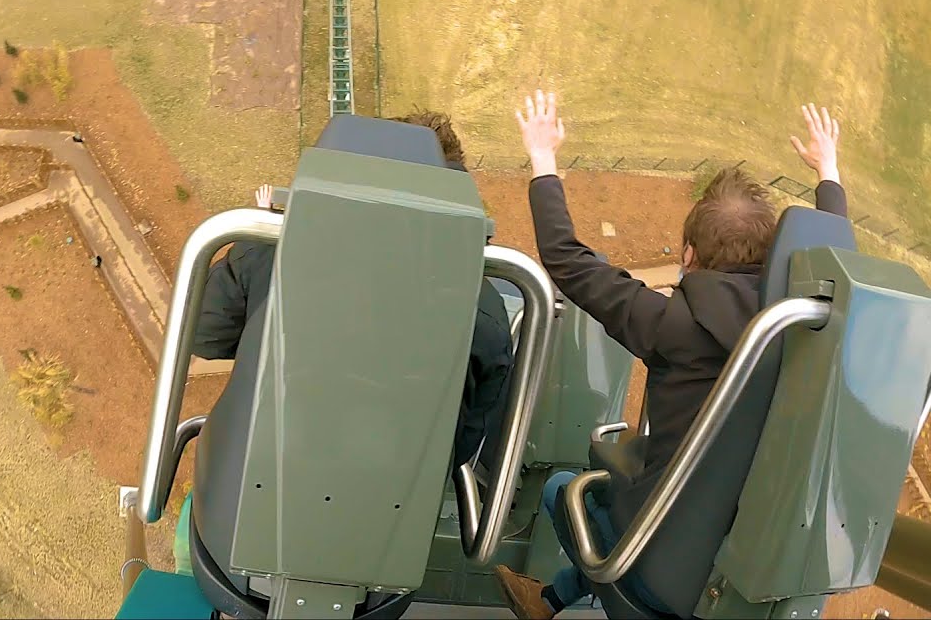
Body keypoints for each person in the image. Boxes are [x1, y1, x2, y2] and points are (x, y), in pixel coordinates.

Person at [493, 92, 848, 619]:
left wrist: (543, 157)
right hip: (742, 577)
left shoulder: (673, 325)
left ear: (688, 256)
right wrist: (829, 170)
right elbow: (841, 264)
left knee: (565, 492)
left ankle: (554, 598)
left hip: (655, 570)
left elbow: (569, 263)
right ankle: (548, 601)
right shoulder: (811, 330)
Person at [193, 113, 515, 470]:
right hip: (398, 496)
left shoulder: (271, 252)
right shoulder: (483, 305)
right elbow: (465, 439)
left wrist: (254, 244)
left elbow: (205, 336)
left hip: (258, 466)